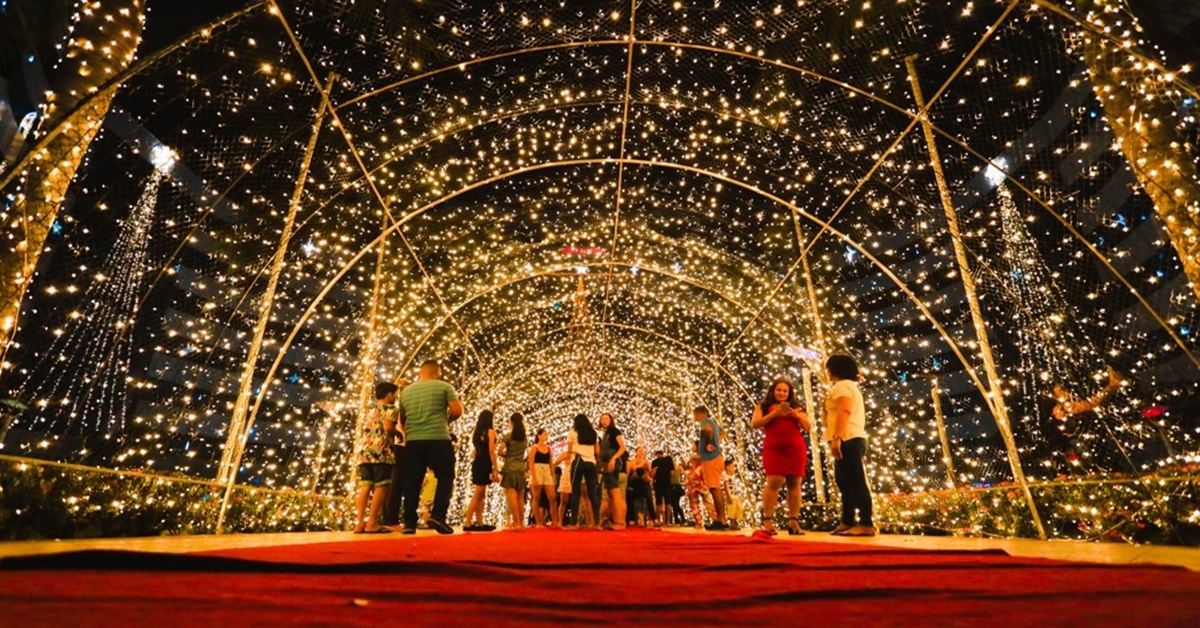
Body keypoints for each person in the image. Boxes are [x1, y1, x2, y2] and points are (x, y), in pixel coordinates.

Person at [398, 360, 462, 535]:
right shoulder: (444, 387)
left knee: (413, 480)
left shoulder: (406, 392)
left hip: (413, 441)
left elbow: (402, 419)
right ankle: (438, 516)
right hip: (438, 438)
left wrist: (410, 432)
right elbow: (457, 411)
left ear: (420, 372)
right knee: (446, 476)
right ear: (438, 371)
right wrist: (446, 421)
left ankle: (409, 523)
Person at [751, 378, 812, 535]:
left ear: (790, 393)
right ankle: (767, 520)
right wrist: (772, 415)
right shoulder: (763, 406)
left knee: (794, 482)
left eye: (785, 391)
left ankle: (793, 521)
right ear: (773, 391)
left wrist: (797, 415)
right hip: (773, 448)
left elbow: (807, 427)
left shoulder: (797, 408)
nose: (782, 393)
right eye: (779, 390)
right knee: (774, 481)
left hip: (795, 448)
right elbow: (755, 424)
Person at [825, 354, 875, 537]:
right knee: (844, 482)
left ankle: (865, 523)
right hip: (852, 437)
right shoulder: (849, 386)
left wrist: (837, 437)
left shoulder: (842, 386)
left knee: (855, 482)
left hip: (848, 438)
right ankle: (847, 521)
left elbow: (845, 410)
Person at [1046, 366, 1126, 471]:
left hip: (1082, 435)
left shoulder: (1068, 403)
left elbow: (1089, 403)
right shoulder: (1066, 406)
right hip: (1073, 438)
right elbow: (1089, 404)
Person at [354, 381, 401, 534]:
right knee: (382, 486)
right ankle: (372, 522)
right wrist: (399, 433)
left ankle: (359, 523)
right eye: (395, 394)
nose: (396, 397)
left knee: (365, 486)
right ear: (389, 395)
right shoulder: (391, 409)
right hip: (382, 452)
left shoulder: (371, 410)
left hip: (366, 452)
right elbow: (388, 427)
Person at [462, 410, 499, 532]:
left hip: (477, 462)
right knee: (478, 493)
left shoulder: (477, 433)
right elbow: (491, 451)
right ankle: (467, 521)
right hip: (485, 463)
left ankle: (479, 521)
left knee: (481, 493)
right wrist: (496, 468)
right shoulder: (490, 432)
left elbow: (475, 452)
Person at [694, 406, 728, 530]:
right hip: (717, 458)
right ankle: (721, 519)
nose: (694, 418)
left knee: (715, 489)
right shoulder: (714, 422)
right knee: (715, 489)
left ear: (700, 414)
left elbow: (708, 430)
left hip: (711, 459)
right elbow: (723, 432)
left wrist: (709, 443)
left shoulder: (705, 422)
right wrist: (717, 442)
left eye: (695, 415)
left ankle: (722, 520)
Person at [382, 379, 409, 529]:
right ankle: (392, 520)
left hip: (388, 447)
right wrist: (401, 434)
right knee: (397, 483)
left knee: (389, 483)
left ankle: (388, 518)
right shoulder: (399, 408)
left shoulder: (387, 408)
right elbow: (396, 425)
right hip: (400, 446)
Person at [567, 413, 601, 529]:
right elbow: (597, 451)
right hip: (591, 462)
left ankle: (574, 523)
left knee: (576, 493)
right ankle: (597, 523)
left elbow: (569, 450)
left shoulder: (572, 433)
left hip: (578, 461)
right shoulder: (593, 433)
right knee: (593, 493)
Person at [597, 413, 628, 530]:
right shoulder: (605, 433)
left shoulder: (614, 431)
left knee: (615, 492)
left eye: (606, 418)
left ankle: (620, 522)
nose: (604, 421)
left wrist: (614, 458)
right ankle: (611, 519)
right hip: (607, 463)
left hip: (612, 463)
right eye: (602, 419)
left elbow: (622, 447)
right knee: (609, 492)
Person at [498, 412, 529, 531]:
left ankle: (515, 523)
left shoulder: (507, 436)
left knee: (512, 497)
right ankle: (521, 523)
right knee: (520, 497)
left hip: (510, 468)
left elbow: (500, 451)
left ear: (511, 422)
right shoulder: (524, 438)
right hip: (521, 467)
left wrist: (507, 455)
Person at [528, 428, 560, 527]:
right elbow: (531, 462)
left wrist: (553, 475)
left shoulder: (548, 448)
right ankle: (538, 521)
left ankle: (555, 520)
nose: (546, 436)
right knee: (536, 497)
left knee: (552, 497)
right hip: (537, 470)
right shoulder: (535, 448)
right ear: (539, 436)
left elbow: (550, 462)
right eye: (544, 434)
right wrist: (534, 476)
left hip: (546, 471)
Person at [651, 450, 676, 526]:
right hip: (667, 483)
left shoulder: (655, 462)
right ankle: (668, 521)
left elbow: (653, 474)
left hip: (658, 483)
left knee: (659, 502)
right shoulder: (668, 460)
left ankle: (658, 520)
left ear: (656, 455)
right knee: (668, 502)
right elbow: (672, 473)